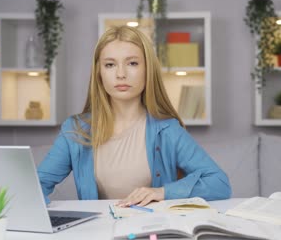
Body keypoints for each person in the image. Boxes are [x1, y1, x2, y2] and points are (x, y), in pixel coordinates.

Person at [38, 25, 231, 206]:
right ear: (99, 73)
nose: (121, 74)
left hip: (152, 234)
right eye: (110, 65)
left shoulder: (167, 130)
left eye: (132, 63)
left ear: (147, 70)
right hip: (96, 237)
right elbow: (36, 185)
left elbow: (219, 183)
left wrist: (162, 192)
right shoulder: (75, 130)